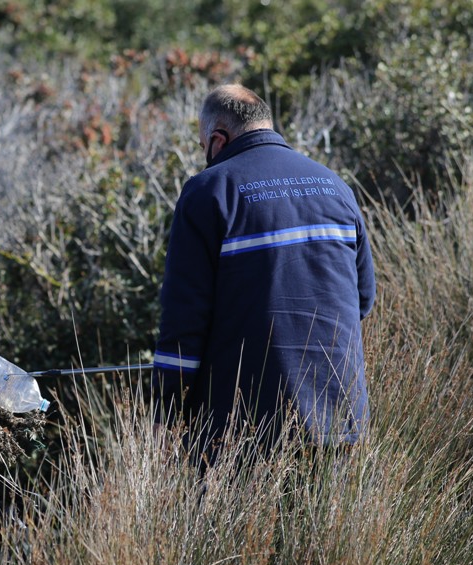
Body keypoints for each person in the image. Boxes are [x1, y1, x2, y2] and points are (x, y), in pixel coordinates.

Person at [153, 84, 376, 460]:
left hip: (244, 431)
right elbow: (363, 299)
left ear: (217, 140)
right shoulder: (335, 186)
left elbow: (184, 323)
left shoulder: (208, 192)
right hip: (339, 419)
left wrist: (166, 414)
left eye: (203, 146)